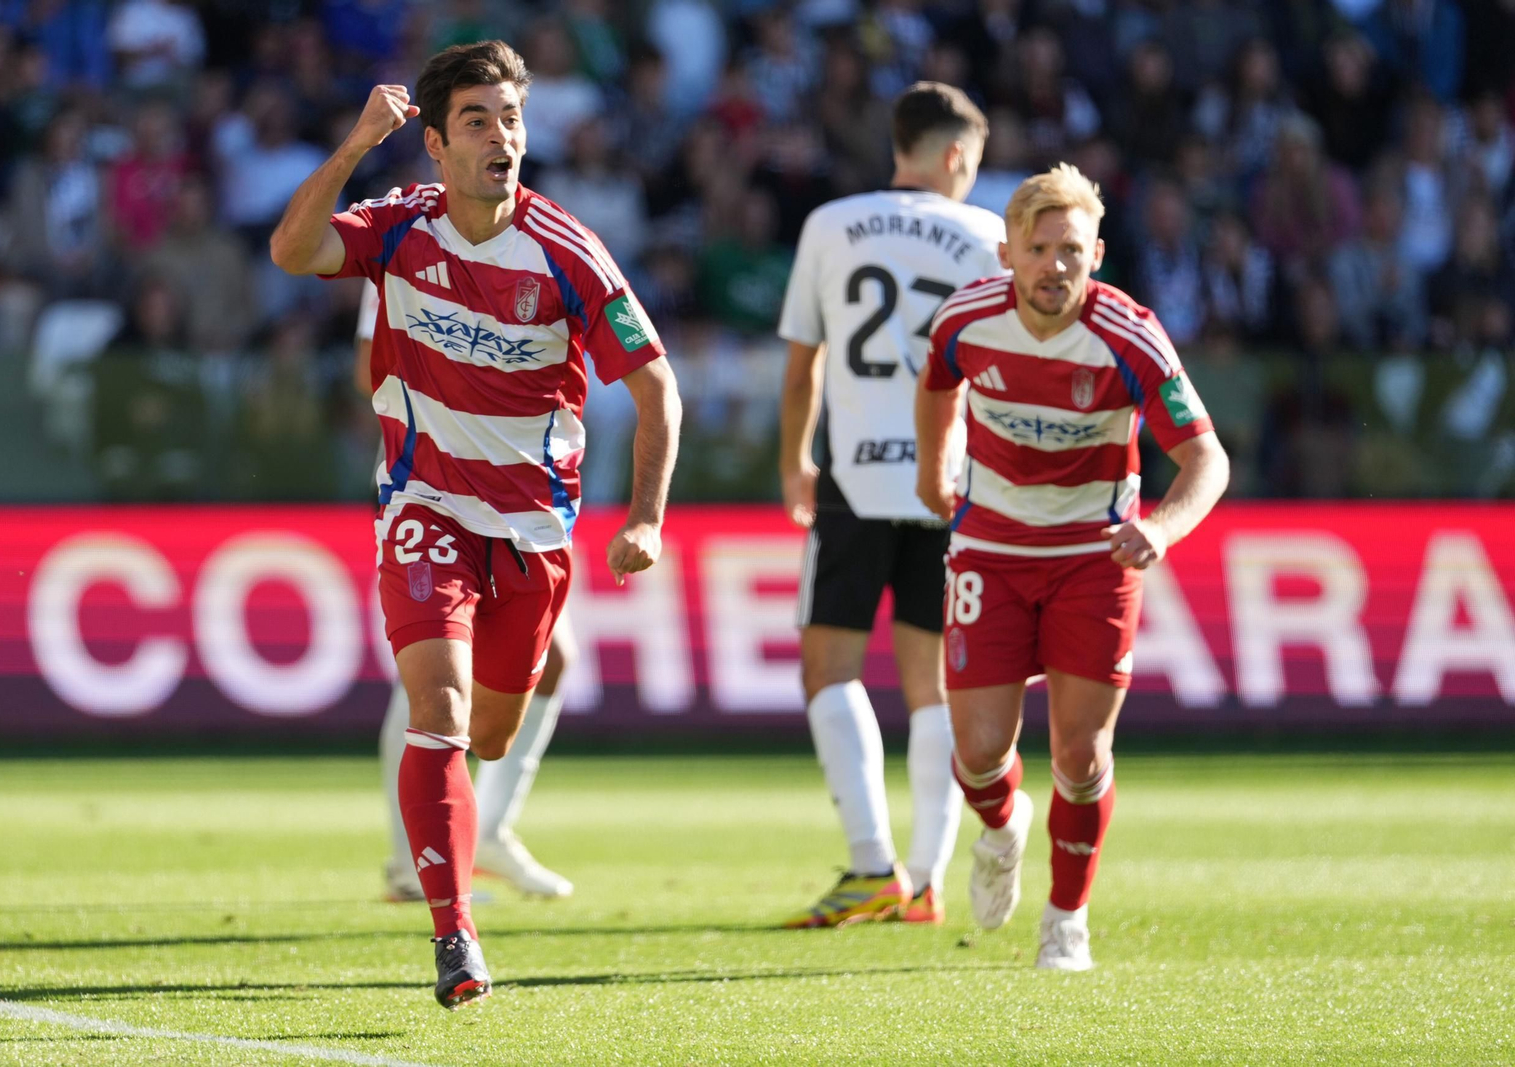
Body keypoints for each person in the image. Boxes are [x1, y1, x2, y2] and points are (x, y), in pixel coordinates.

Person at [270, 40, 682, 1009]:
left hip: (533, 528)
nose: (502, 138)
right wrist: (353, 145)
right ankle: (454, 930)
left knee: (491, 732)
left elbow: (657, 387)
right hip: (424, 507)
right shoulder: (398, 225)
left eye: (510, 119)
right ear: (435, 144)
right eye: (476, 121)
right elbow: (292, 251)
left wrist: (649, 516)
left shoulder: (568, 251)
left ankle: (467, 836)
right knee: (440, 712)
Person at [914, 164, 1229, 970]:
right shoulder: (966, 320)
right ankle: (1001, 824)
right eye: (1040, 248)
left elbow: (1206, 461)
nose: (1056, 265)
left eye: (1073, 250)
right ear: (1009, 253)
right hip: (990, 547)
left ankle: (1066, 918)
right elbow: (938, 384)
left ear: (1097, 253)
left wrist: (1160, 527)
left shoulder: (1129, 335)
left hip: (1094, 557)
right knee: (979, 752)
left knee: (1082, 756)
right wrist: (932, 465)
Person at [775, 81, 1005, 928]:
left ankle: (871, 864)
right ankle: (925, 877)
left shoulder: (831, 224)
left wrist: (794, 461)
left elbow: (805, 364)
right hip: (953, 479)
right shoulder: (989, 235)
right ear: (954, 156)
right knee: (931, 684)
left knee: (828, 669)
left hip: (855, 474)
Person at [354, 280, 576, 905]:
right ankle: (410, 861)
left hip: (506, 488)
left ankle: (490, 831)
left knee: (553, 661)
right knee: (428, 678)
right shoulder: (400, 248)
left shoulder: (523, 253)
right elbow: (363, 368)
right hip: (427, 483)